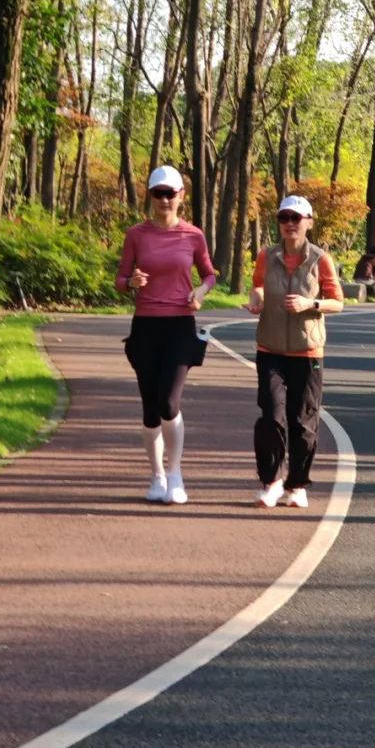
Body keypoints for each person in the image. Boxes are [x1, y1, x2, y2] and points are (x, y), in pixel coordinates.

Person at [115, 164, 216, 504]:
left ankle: (176, 474)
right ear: (150, 196)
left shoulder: (193, 235)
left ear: (181, 197)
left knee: (169, 402)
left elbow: (209, 276)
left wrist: (199, 293)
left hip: (179, 325)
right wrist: (131, 283)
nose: (164, 200)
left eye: (170, 194)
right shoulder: (136, 234)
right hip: (145, 325)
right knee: (149, 407)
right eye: (158, 193)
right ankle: (156, 475)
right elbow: (120, 280)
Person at [246, 194, 344, 509]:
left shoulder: (320, 259)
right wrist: (257, 299)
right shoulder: (267, 255)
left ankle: (297, 485)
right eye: (284, 218)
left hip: (307, 351)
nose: (290, 224)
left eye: (296, 218)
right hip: (270, 348)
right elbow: (258, 285)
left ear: (308, 222)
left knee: (303, 422)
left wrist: (310, 304)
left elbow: (338, 301)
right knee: (271, 416)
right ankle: (272, 481)